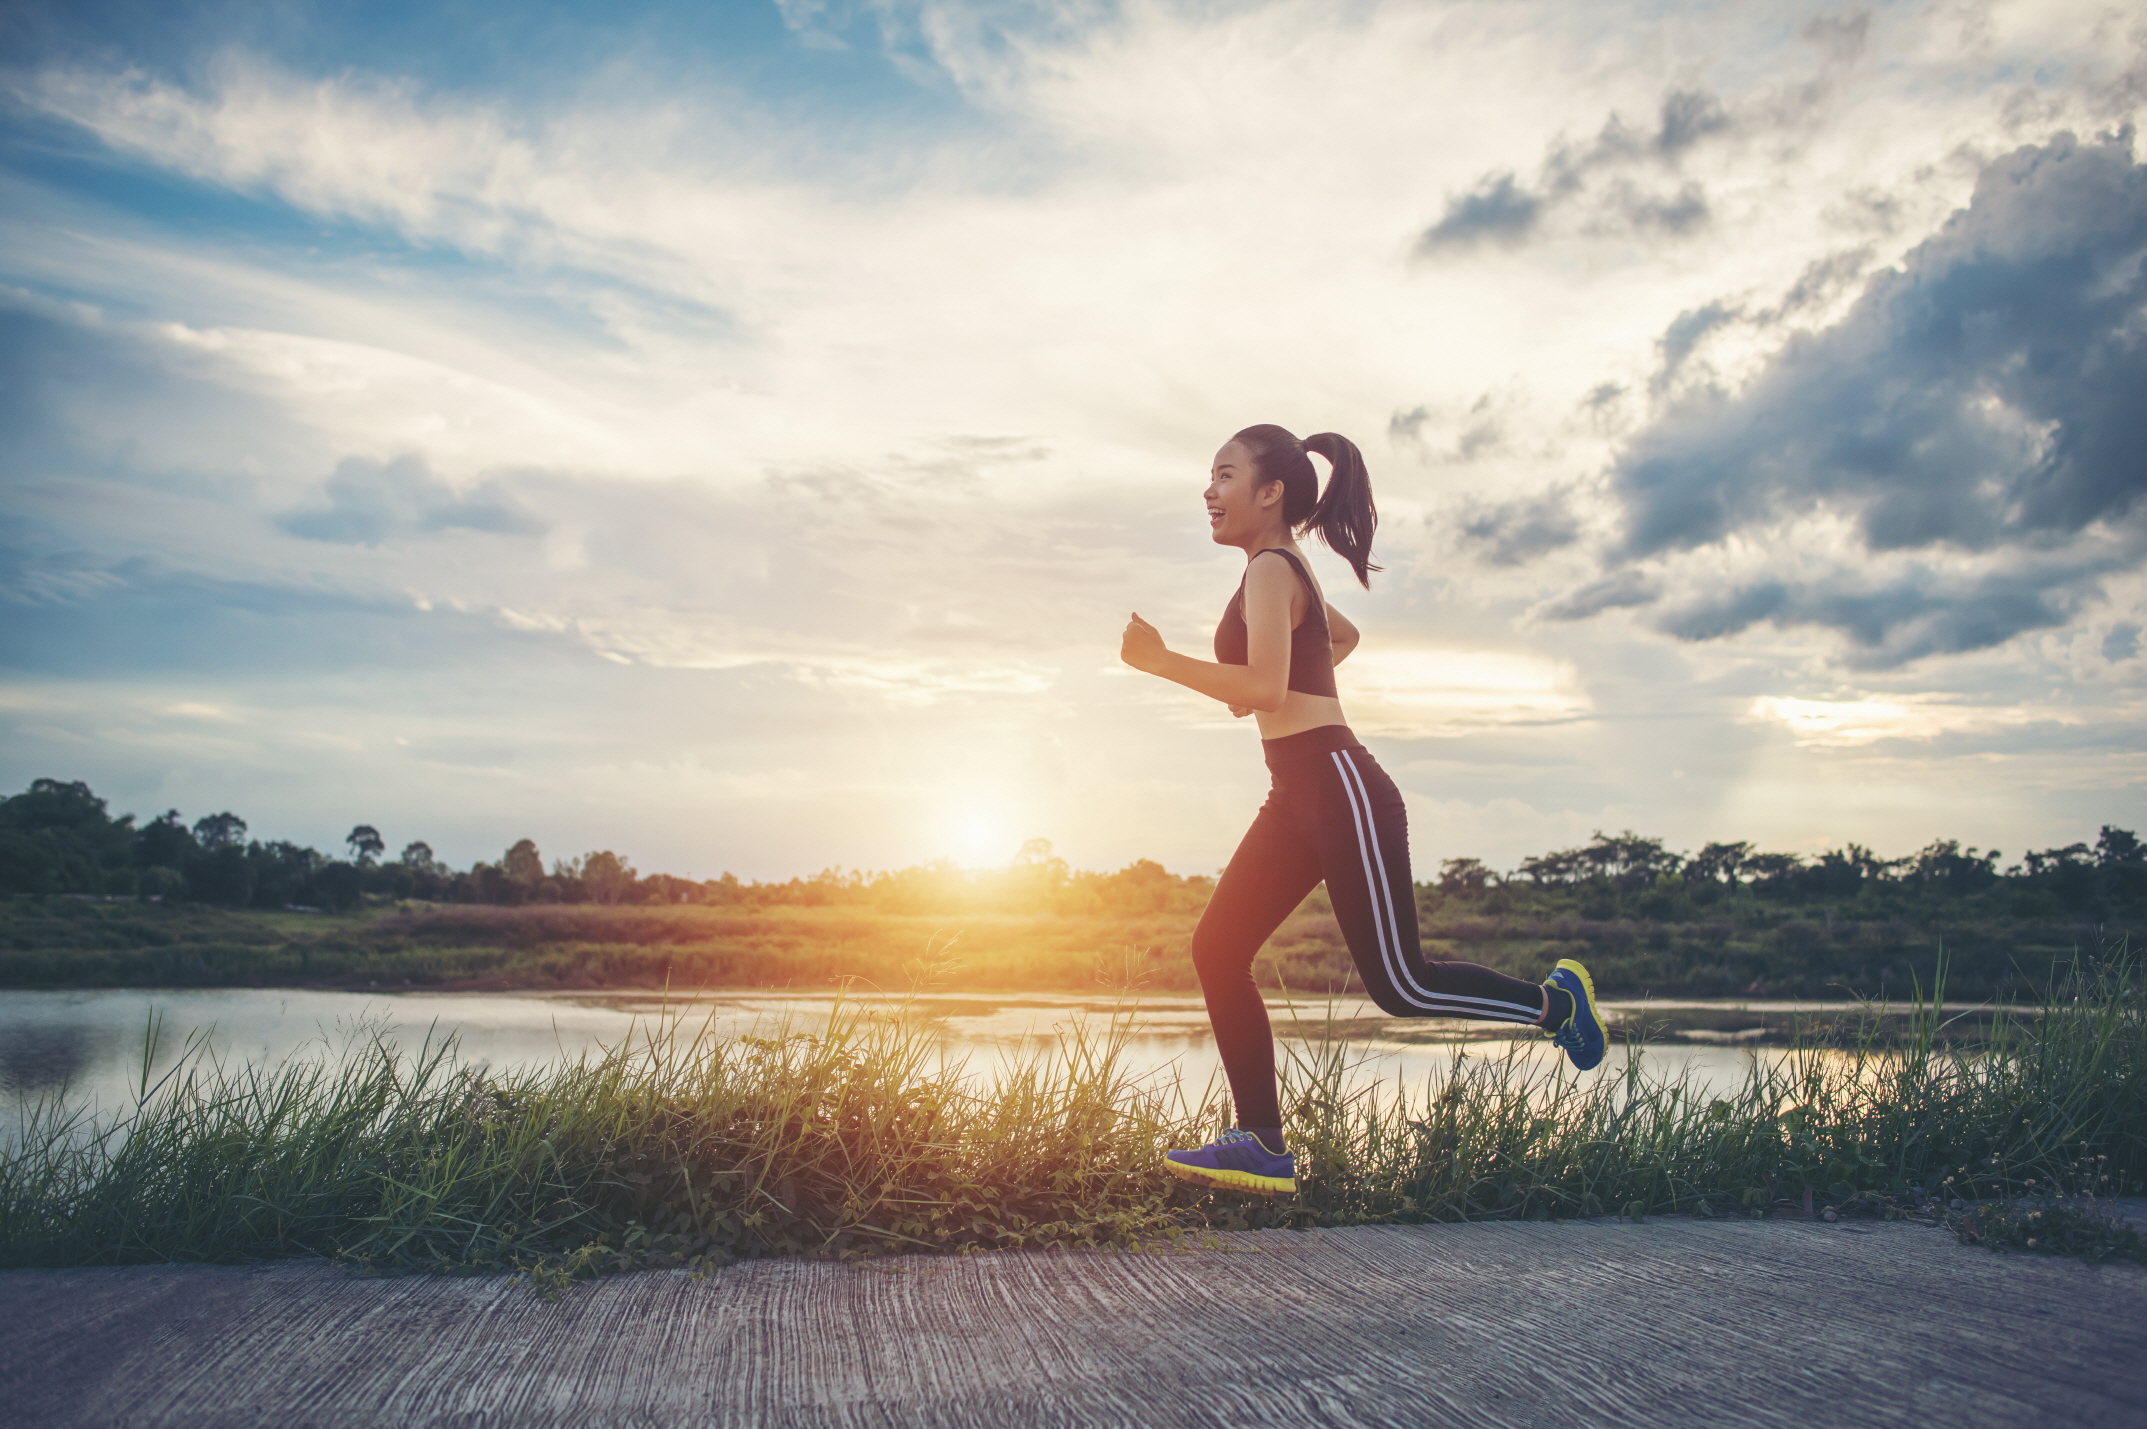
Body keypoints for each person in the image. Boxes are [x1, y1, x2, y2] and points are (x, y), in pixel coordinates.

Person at [1118, 425, 1606, 1197]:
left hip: (1339, 785)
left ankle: (1556, 1003)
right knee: (1217, 946)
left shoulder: (1273, 570)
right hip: (1295, 794)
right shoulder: (1276, 573)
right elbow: (1336, 637)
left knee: (1400, 985)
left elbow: (1267, 689)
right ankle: (1262, 1142)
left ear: (1269, 491)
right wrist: (1274, 684)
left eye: (1223, 476)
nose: (1208, 493)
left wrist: (1162, 663)